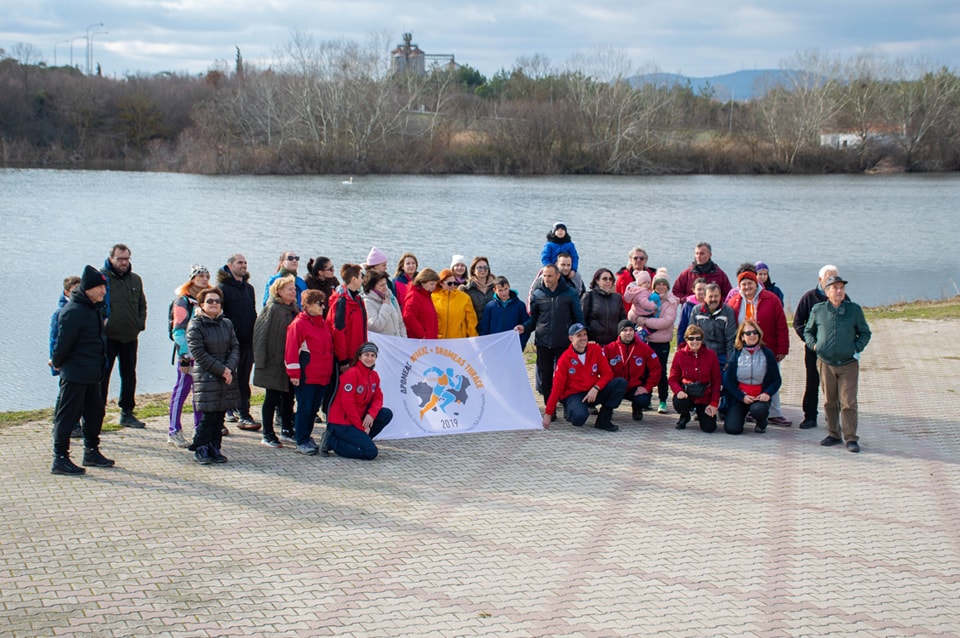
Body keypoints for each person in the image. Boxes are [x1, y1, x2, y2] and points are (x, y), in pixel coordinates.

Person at [50, 266, 113, 475]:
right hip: (75, 372)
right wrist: (57, 362)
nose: (104, 291)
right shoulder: (73, 311)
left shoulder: (93, 308)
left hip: (92, 372)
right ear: (88, 289)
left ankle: (91, 451)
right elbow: (63, 342)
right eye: (100, 288)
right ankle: (60, 458)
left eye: (104, 287)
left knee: (95, 412)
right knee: (67, 416)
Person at [804, 275, 871, 453]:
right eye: (834, 288)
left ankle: (851, 438)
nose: (839, 291)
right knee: (829, 401)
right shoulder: (818, 310)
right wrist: (815, 346)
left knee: (848, 402)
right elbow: (808, 332)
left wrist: (855, 348)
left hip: (848, 363)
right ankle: (833, 433)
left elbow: (865, 333)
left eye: (841, 287)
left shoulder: (854, 310)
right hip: (826, 362)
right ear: (826, 292)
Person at [727, 270, 792, 426]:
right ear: (739, 287)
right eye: (743, 284)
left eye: (750, 283)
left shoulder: (771, 299)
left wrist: (783, 348)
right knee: (742, 378)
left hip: (767, 347)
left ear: (756, 284)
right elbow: (729, 328)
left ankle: (774, 413)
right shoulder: (734, 302)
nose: (747, 287)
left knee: (769, 378)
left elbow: (781, 325)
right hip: (742, 349)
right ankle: (747, 410)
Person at [186, 287, 239, 465]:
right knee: (208, 416)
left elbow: (235, 347)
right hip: (207, 375)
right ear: (202, 304)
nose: (214, 304)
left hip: (226, 375)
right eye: (210, 301)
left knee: (220, 415)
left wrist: (229, 368)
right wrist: (221, 370)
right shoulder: (196, 325)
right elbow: (199, 354)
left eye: (217, 301)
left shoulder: (227, 323)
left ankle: (215, 447)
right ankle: (200, 448)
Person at [519, 264, 585, 406]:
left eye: (550, 276)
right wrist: (524, 328)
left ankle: (568, 404)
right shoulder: (538, 294)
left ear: (557, 276)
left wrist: (581, 337)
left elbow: (578, 318)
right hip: (543, 342)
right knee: (546, 378)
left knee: (565, 376)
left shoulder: (570, 293)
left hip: (564, 342)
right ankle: (550, 407)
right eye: (545, 276)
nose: (546, 279)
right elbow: (534, 319)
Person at [541, 323, 626, 432]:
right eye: (579, 335)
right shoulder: (564, 359)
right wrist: (548, 413)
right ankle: (570, 411)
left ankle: (603, 419)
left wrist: (596, 388)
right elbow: (557, 387)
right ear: (571, 338)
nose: (583, 338)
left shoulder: (596, 349)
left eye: (585, 334)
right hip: (575, 394)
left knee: (620, 383)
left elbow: (607, 373)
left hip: (593, 391)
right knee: (579, 420)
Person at [100, 243, 147, 428]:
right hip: (107, 337)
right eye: (120, 259)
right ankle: (97, 414)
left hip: (129, 336)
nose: (124, 262)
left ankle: (127, 412)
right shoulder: (101, 278)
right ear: (111, 258)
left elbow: (142, 304)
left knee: (129, 375)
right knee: (102, 376)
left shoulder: (135, 280)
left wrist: (139, 324)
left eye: (127, 259)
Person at [319, 342, 393, 460]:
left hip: (358, 419)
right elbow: (348, 404)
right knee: (370, 452)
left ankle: (359, 441)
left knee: (386, 413)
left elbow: (378, 398)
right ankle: (332, 441)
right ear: (359, 356)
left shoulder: (373, 375)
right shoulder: (352, 374)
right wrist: (361, 427)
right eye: (366, 355)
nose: (369, 358)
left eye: (372, 355)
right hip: (342, 423)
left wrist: (371, 416)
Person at [792, 265, 843, 430]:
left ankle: (833, 417)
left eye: (835, 278)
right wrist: (810, 341)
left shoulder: (843, 298)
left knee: (834, 385)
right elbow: (798, 322)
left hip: (835, 351)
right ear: (820, 280)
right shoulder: (809, 297)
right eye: (828, 279)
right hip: (814, 350)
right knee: (812, 383)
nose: (832, 282)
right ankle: (810, 416)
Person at [285, 289, 335, 455]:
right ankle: (301, 439)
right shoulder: (298, 324)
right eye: (319, 303)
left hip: (322, 374)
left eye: (323, 303)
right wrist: (294, 374)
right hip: (307, 375)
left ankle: (307, 436)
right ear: (307, 305)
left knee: (313, 409)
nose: (323, 306)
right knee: (305, 408)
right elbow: (291, 350)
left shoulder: (322, 323)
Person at [253, 276, 299, 447]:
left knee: (289, 396)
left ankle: (287, 429)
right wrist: (260, 360)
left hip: (289, 362)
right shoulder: (271, 309)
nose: (293, 291)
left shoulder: (294, 308)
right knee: (271, 398)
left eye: (294, 289)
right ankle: (268, 433)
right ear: (279, 291)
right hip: (273, 361)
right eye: (289, 289)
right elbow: (260, 335)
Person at [167, 265, 208, 448]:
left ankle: (200, 428)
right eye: (200, 275)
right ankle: (174, 430)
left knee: (199, 393)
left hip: (203, 354)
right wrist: (184, 356)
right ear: (192, 279)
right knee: (181, 390)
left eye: (207, 275)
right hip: (188, 354)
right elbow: (178, 331)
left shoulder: (207, 300)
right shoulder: (182, 302)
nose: (204, 279)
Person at [217, 253, 259, 430]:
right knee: (227, 379)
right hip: (230, 345)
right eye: (240, 263)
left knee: (243, 380)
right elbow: (220, 316)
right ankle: (224, 415)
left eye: (245, 263)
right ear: (230, 265)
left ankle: (244, 413)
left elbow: (253, 313)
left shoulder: (248, 289)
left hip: (248, 343)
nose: (243, 265)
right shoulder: (222, 288)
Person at [723, 320, 782, 435]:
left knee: (758, 410)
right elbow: (727, 380)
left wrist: (767, 393)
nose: (752, 335)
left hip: (759, 396)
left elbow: (776, 380)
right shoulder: (736, 354)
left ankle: (761, 422)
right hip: (741, 396)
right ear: (742, 337)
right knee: (732, 429)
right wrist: (741, 396)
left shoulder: (767, 354)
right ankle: (740, 416)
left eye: (755, 332)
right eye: (748, 333)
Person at [636, 271, 679, 415]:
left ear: (667, 286)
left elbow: (666, 322)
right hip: (647, 341)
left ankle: (662, 400)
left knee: (661, 372)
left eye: (663, 284)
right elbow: (633, 311)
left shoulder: (672, 301)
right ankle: (646, 398)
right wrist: (636, 318)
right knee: (646, 371)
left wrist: (645, 321)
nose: (661, 287)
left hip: (661, 342)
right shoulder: (648, 297)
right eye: (658, 284)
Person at [602, 320, 661, 421]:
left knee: (643, 400)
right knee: (605, 392)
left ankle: (637, 408)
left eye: (631, 330)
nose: (628, 333)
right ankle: (608, 409)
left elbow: (656, 369)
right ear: (619, 333)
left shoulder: (644, 348)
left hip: (635, 387)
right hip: (616, 387)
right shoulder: (609, 349)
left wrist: (647, 387)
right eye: (625, 330)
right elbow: (601, 369)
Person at [669, 325, 722, 433]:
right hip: (687, 394)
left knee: (709, 428)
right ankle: (685, 415)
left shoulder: (711, 355)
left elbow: (717, 380)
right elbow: (672, 378)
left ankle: (701, 413)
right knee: (679, 402)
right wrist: (678, 391)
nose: (695, 341)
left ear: (702, 340)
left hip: (704, 395)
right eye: (691, 338)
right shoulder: (679, 355)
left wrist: (714, 403)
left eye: (698, 338)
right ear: (686, 339)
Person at [49, 275, 83, 440]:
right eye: (74, 291)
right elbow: (55, 339)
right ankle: (61, 424)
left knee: (73, 394)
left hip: (77, 362)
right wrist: (55, 361)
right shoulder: (60, 312)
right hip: (65, 362)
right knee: (64, 395)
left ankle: (74, 424)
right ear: (66, 292)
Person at [327, 264, 368, 369]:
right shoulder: (342, 302)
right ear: (354, 279)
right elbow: (338, 332)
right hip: (348, 358)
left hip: (358, 355)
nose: (362, 280)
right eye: (360, 277)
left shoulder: (357, 299)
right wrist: (343, 360)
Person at [690, 283, 737, 367]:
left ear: (720, 296)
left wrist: (729, 360)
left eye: (716, 296)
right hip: (703, 353)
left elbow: (731, 338)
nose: (713, 299)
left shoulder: (728, 311)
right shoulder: (696, 311)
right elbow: (692, 335)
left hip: (722, 354)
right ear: (704, 297)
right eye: (710, 297)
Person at [479, 276, 530, 349]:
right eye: (500, 290)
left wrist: (521, 344)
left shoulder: (520, 305)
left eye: (506, 289)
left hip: (513, 345)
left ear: (509, 287)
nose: (504, 293)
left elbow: (525, 327)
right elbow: (484, 328)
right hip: (495, 346)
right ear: (494, 290)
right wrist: (486, 345)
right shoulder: (490, 307)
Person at [581, 268, 626, 346]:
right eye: (605, 279)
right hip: (593, 343)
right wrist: (586, 338)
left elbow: (622, 319)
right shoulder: (589, 296)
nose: (608, 281)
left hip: (613, 344)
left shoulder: (617, 298)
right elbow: (582, 320)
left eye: (610, 279)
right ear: (597, 281)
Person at [433, 269, 478, 339]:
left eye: (455, 283)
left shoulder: (464, 298)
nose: (453, 285)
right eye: (449, 283)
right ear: (441, 283)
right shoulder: (432, 297)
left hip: (458, 340)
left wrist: (474, 339)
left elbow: (471, 321)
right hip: (438, 341)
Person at [362, 270, 407, 338]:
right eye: (381, 285)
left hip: (397, 341)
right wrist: (385, 306)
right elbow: (375, 326)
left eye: (385, 284)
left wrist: (403, 340)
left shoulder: (390, 297)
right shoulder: (367, 302)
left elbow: (400, 323)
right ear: (372, 287)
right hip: (383, 344)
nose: (385, 287)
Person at [615, 246, 656, 314]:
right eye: (635, 258)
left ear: (646, 260)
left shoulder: (653, 276)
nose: (638, 260)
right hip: (627, 315)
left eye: (641, 258)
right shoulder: (622, 277)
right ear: (631, 260)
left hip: (648, 314)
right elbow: (616, 297)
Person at [402, 268, 440, 339]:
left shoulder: (426, 296)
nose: (434, 287)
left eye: (435, 284)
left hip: (429, 338)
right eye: (431, 284)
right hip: (420, 340)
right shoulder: (414, 296)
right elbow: (408, 316)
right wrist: (421, 334)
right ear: (422, 282)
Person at [460, 257, 496, 326]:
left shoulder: (496, 287)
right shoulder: (467, 289)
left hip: (494, 328)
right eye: (479, 268)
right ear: (473, 270)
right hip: (476, 330)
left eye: (485, 267)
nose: (483, 270)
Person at [676, 278, 707, 347]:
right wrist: (680, 345)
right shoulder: (687, 305)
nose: (702, 292)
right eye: (699, 289)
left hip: (706, 342)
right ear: (693, 290)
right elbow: (682, 326)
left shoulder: (710, 304)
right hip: (692, 341)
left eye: (704, 289)